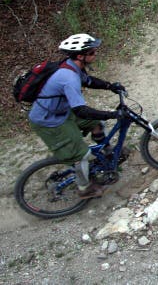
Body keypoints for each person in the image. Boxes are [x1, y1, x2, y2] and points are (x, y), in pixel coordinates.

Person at [28, 34, 125, 199]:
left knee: (96, 124)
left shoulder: (72, 66)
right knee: (82, 155)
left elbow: (88, 81)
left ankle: (107, 152)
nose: (96, 54)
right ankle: (85, 188)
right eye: (93, 52)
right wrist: (112, 114)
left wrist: (110, 86)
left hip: (62, 111)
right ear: (81, 56)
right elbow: (81, 110)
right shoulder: (69, 78)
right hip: (49, 121)